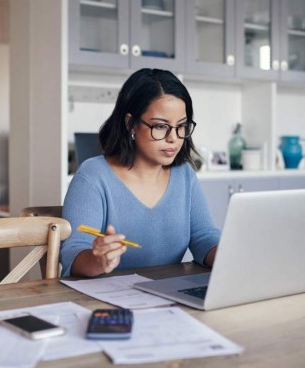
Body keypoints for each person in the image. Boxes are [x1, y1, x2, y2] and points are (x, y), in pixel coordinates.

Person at [60, 68, 220, 277]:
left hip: (166, 297)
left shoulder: (184, 175)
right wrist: (97, 259)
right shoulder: (93, 176)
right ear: (131, 124)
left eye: (182, 126)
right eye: (161, 126)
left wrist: (231, 255)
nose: (173, 138)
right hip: (104, 303)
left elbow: (203, 237)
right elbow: (73, 252)